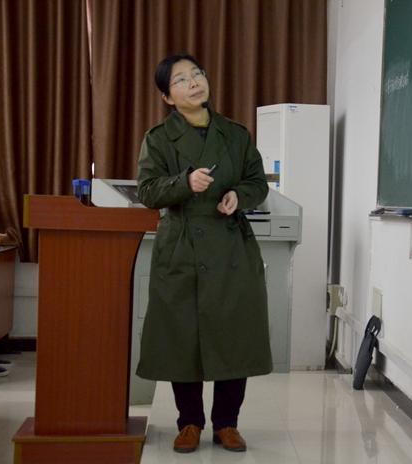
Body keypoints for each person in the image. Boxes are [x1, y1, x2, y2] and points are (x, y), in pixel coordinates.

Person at [136, 54, 271, 454]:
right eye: (181, 79)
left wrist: (238, 196)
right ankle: (189, 422)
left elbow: (257, 182)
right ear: (167, 97)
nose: (194, 82)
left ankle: (227, 423)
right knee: (183, 337)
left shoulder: (235, 134)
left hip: (230, 244)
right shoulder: (158, 139)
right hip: (181, 247)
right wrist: (184, 182)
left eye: (197, 74)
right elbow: (148, 191)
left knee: (233, 334)